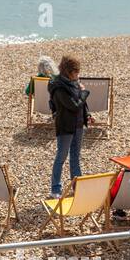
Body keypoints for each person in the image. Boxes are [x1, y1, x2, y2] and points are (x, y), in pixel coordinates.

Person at [47, 55, 90, 199]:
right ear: (68, 72)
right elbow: (73, 105)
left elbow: (81, 105)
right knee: (61, 157)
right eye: (76, 72)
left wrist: (87, 114)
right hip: (65, 126)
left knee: (75, 157)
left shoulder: (74, 82)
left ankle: (77, 186)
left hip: (78, 125)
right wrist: (84, 92)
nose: (78, 75)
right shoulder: (58, 87)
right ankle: (55, 189)